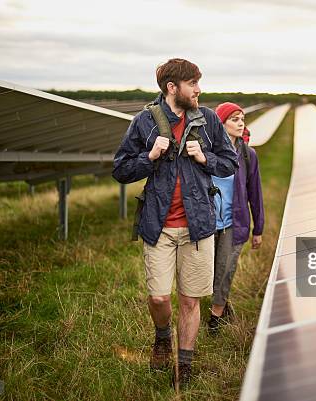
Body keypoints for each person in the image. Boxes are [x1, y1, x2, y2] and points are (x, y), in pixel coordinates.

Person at [111, 58, 238, 386]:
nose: (199, 89)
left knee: (190, 299)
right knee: (158, 297)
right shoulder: (144, 122)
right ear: (172, 87)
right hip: (159, 226)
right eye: (193, 83)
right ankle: (162, 336)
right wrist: (149, 157)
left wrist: (204, 157)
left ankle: (184, 363)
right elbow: (120, 170)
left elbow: (229, 164)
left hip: (198, 227)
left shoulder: (208, 120)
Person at [208, 102, 264, 333]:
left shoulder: (248, 155)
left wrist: (258, 228)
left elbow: (255, 194)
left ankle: (216, 316)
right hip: (208, 222)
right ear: (221, 124)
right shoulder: (207, 153)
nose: (240, 123)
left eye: (242, 118)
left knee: (225, 269)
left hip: (235, 223)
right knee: (208, 271)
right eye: (234, 119)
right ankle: (222, 303)